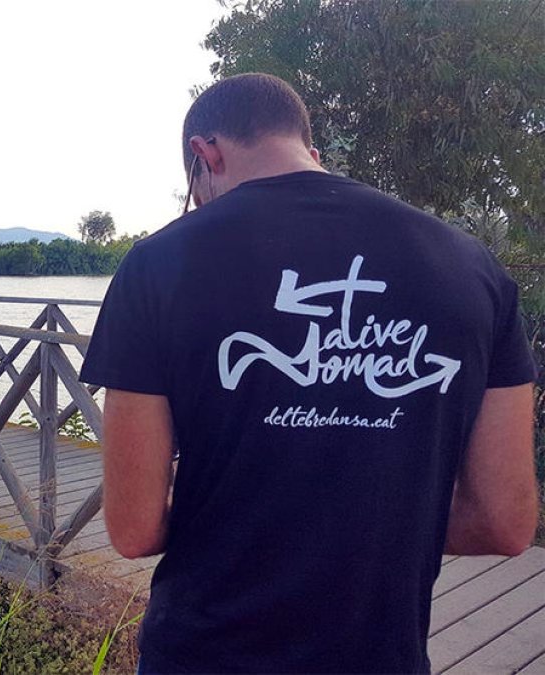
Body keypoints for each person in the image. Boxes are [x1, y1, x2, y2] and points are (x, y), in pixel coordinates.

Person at [79, 73, 539, 673]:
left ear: (205, 154)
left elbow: (134, 528)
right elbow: (507, 523)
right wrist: (380, 520)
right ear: (312, 152)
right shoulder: (471, 267)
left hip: (205, 654)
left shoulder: (158, 264)